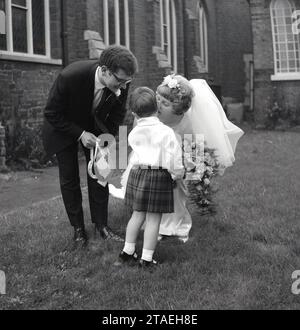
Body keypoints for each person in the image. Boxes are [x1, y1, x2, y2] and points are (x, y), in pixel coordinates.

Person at [110, 75, 244, 242]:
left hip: (175, 160)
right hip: (149, 159)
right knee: (145, 192)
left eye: (165, 104)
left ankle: (174, 225)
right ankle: (147, 223)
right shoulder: (149, 112)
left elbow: (193, 149)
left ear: (180, 109)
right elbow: (138, 138)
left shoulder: (187, 121)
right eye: (158, 99)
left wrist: (191, 172)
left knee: (175, 192)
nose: (158, 105)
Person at [42, 45, 138, 248]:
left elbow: (119, 113)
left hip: (97, 127)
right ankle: (78, 229)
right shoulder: (71, 76)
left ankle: (101, 226)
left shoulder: (122, 79)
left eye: (126, 82)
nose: (122, 87)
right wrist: (79, 134)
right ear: (104, 70)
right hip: (64, 127)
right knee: (69, 178)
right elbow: (51, 113)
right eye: (119, 81)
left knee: (101, 175)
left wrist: (108, 139)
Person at [117, 87, 184, 268]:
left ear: (134, 113)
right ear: (157, 109)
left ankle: (127, 252)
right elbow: (173, 156)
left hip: (137, 174)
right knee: (153, 219)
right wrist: (178, 173)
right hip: (158, 176)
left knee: (137, 215)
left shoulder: (134, 132)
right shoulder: (165, 131)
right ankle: (146, 259)